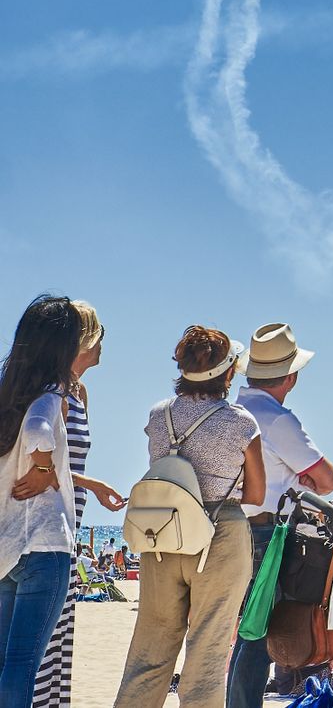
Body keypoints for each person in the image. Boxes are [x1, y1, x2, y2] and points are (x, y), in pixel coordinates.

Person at [115, 325, 266, 708]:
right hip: (219, 533)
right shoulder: (241, 422)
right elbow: (256, 494)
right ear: (228, 372)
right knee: (208, 649)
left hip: (162, 534)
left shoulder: (158, 414)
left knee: (150, 647)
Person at [228, 323, 333, 708]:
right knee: (258, 633)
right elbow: (328, 480)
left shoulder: (234, 411)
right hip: (265, 534)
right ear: (290, 377)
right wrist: (298, 474)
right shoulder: (277, 420)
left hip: (227, 528)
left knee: (242, 631)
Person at [31, 301, 127, 708]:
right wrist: (93, 483)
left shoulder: (78, 391)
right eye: (99, 331)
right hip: (45, 524)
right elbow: (43, 455)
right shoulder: (51, 392)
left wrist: (89, 487)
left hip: (70, 522)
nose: (105, 340)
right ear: (82, 339)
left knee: (59, 638)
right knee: (41, 644)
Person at [0, 296, 84, 707]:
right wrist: (44, 469)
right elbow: (38, 431)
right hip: (45, 546)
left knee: (3, 665)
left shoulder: (6, 398)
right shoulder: (49, 395)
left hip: (7, 550)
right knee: (21, 667)